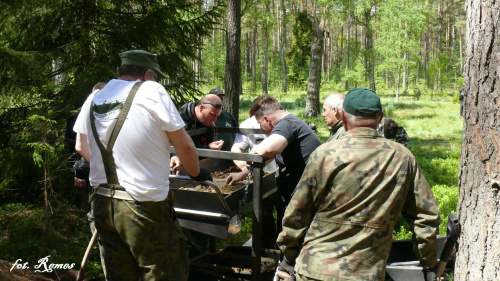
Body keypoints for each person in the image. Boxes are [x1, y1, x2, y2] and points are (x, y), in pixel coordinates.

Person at [276, 87, 440, 281]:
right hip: (365, 272)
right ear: (381, 118)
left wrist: (288, 257)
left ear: (343, 117)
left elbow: (297, 214)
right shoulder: (402, 158)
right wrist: (429, 263)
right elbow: (425, 217)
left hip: (315, 269)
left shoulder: (324, 155)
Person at [74, 49, 211, 281]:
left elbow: (80, 145)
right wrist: (197, 173)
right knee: (163, 273)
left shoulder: (97, 95)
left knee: (119, 276)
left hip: (102, 202)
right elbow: (184, 145)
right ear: (148, 74)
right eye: (155, 76)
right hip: (142, 207)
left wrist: (112, 168)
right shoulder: (151, 90)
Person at [250, 95, 321, 240]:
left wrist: (254, 150)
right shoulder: (292, 122)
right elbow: (270, 155)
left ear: (267, 119)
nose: (261, 129)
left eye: (260, 124)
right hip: (298, 195)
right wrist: (243, 173)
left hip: (301, 200)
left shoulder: (286, 124)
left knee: (292, 242)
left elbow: (269, 148)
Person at [226, 106, 278, 249]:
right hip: (259, 177)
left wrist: (244, 173)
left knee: (284, 213)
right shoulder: (248, 125)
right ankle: (266, 248)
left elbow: (271, 153)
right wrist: (245, 170)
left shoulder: (279, 121)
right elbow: (236, 149)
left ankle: (284, 250)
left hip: (280, 174)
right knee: (263, 215)